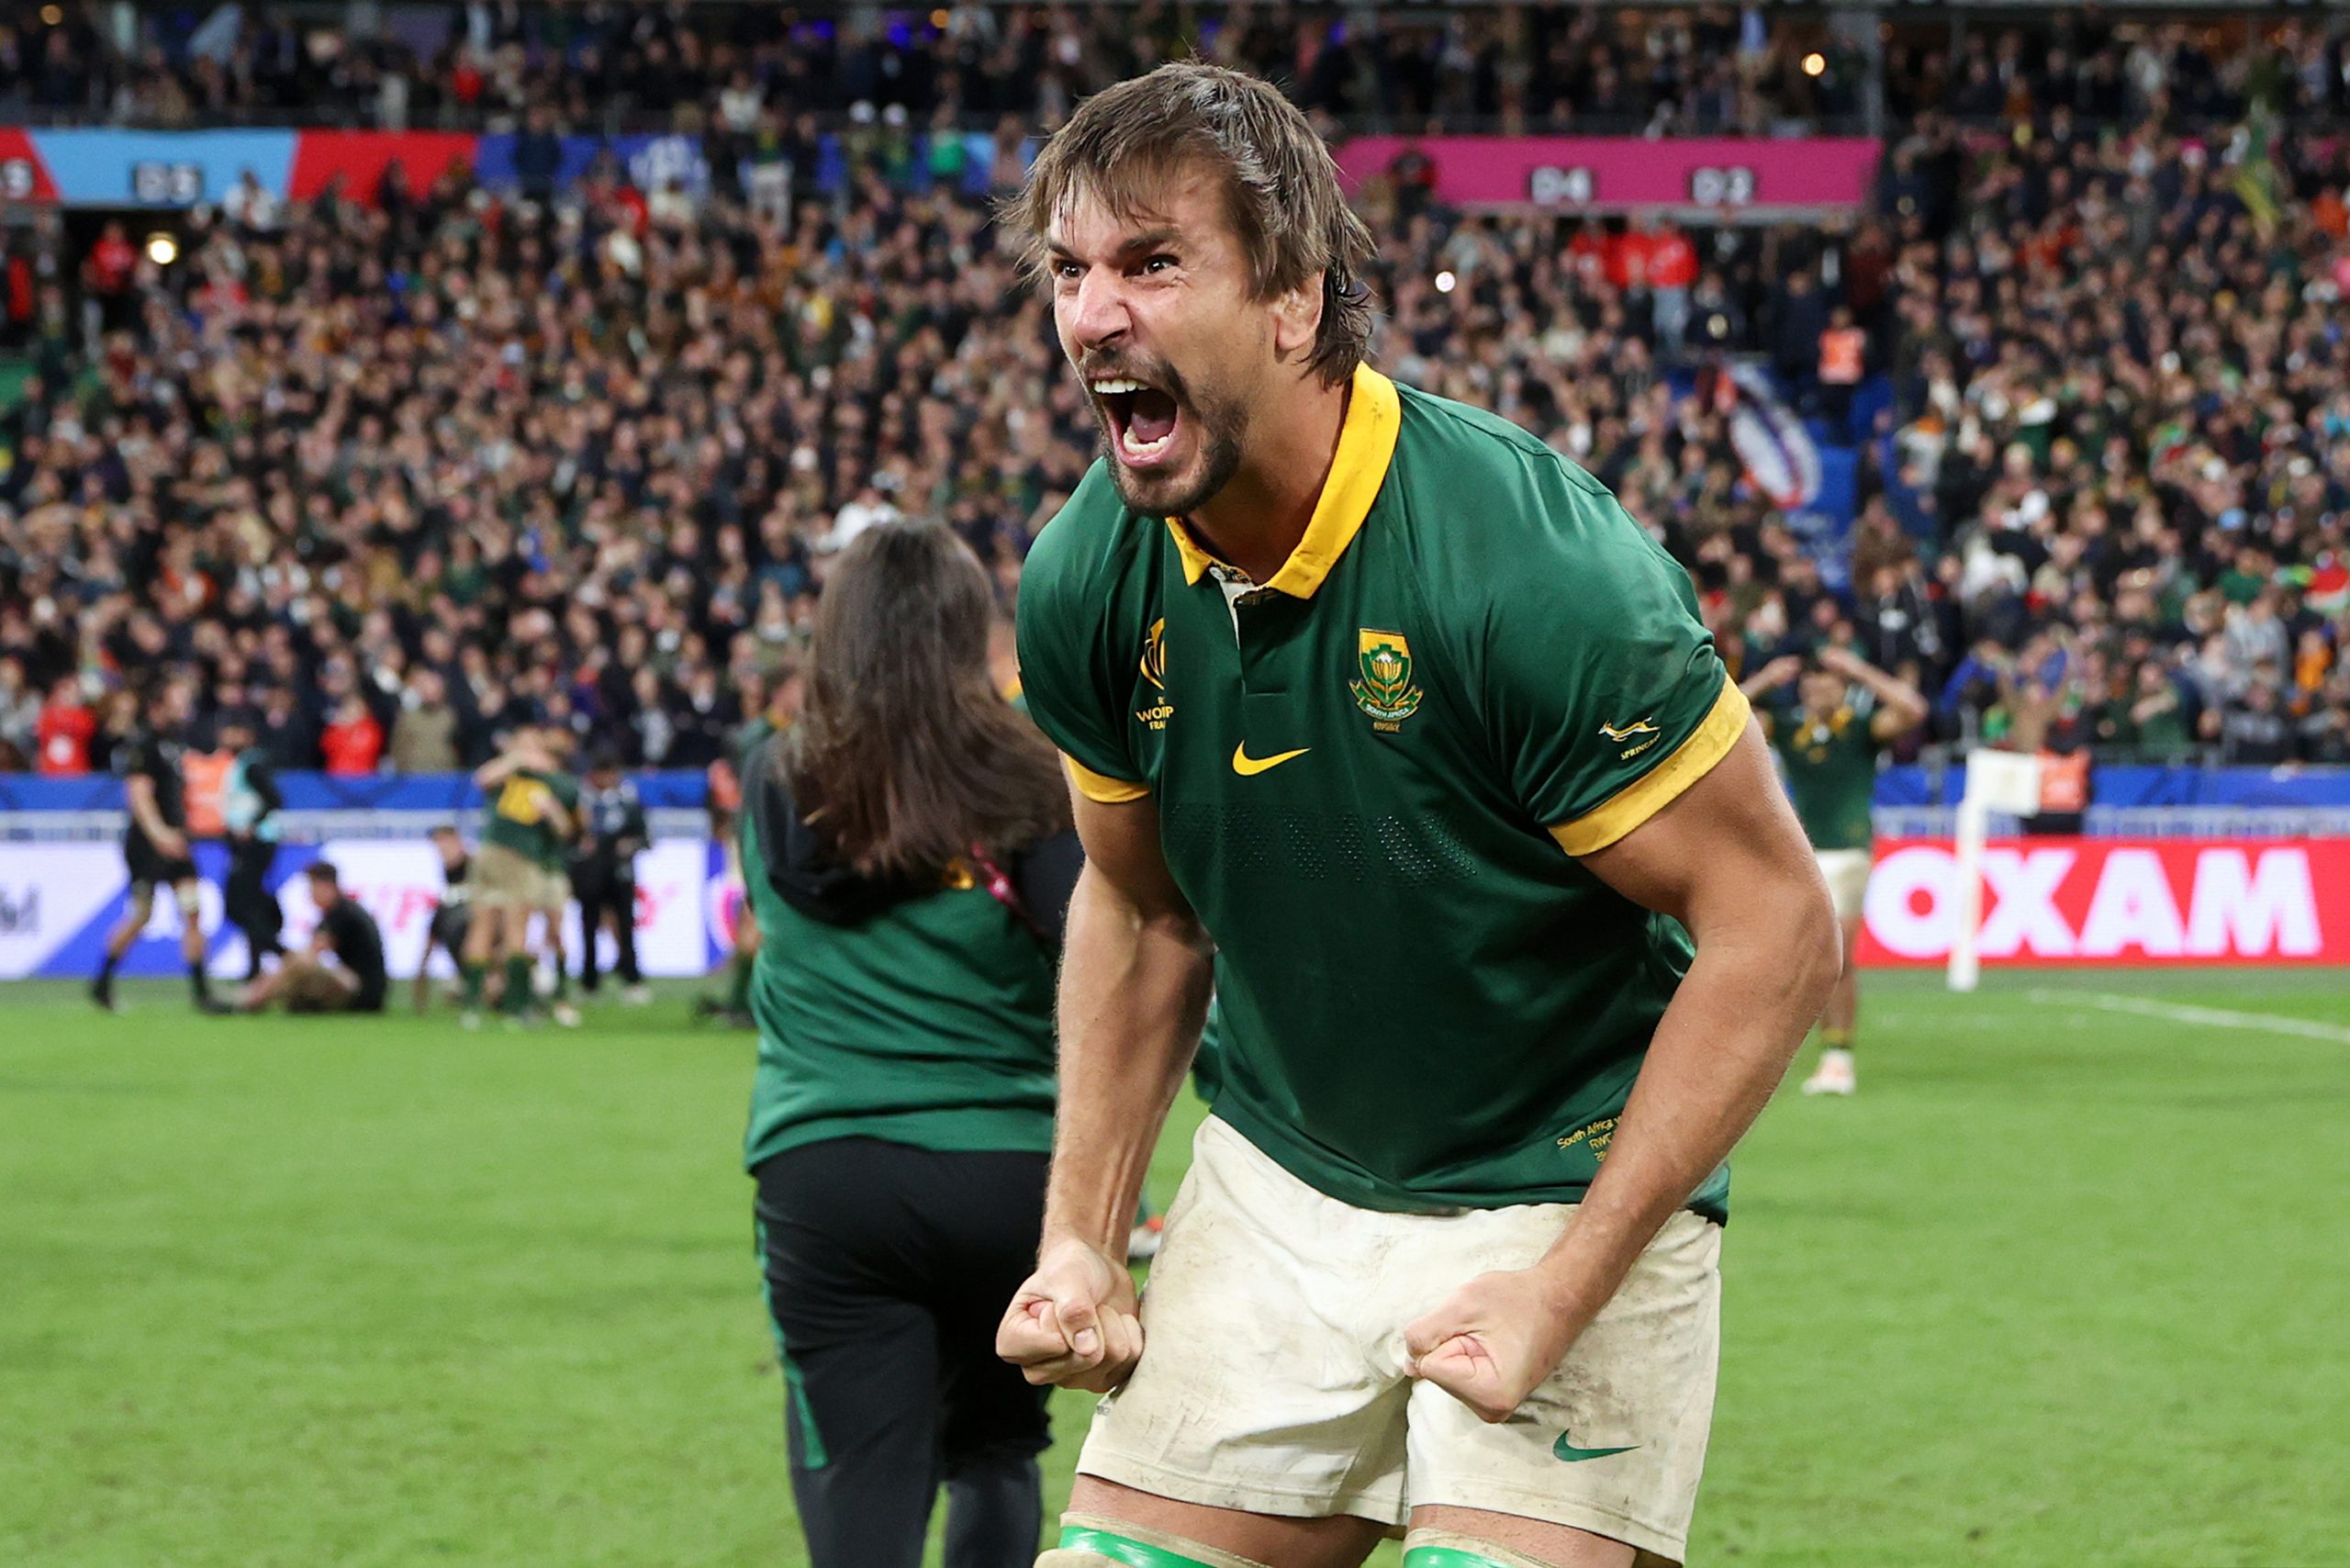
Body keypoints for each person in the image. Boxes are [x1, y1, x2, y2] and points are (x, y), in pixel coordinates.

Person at [1000, 64, 1839, 1568]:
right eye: (1071, 271)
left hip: (1554, 1174)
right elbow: (1138, 904)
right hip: (1282, 1166)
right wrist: (1082, 1230)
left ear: (1296, 302)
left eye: (1151, 262)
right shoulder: (1088, 578)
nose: (1091, 315)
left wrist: (1566, 1284)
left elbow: (1774, 922)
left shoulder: (1530, 570)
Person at [743, 520, 1081, 1568]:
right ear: (969, 633)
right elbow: (1093, 959)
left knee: (860, 1473)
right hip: (1008, 1169)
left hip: (828, 1172)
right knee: (995, 1449)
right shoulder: (1035, 777)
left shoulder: (777, 779)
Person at [1742, 646, 1929, 1096]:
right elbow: (1722, 717)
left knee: (1838, 956)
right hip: (1799, 857)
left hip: (1847, 852)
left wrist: (1862, 669)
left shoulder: (1862, 729)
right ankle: (1786, 1054)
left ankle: (1839, 1057)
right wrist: (1765, 679)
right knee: (1792, 961)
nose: (1817, 691)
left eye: (1827, 683)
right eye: (1810, 685)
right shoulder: (1790, 729)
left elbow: (1912, 709)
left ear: (1843, 690)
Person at [93, 681, 229, 1015]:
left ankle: (201, 992)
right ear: (158, 706)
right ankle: (102, 983)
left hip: (177, 843)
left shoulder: (177, 745)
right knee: (142, 915)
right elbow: (138, 794)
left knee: (192, 910)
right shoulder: (145, 744)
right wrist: (160, 834)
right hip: (148, 846)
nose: (185, 705)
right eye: (178, 698)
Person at [459, 729, 577, 1029]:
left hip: (508, 855)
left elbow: (567, 828)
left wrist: (552, 812)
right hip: (510, 856)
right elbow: (482, 778)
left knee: (499, 925)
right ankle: (508, 1006)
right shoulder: (513, 775)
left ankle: (482, 1007)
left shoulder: (550, 783)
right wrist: (518, 759)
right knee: (502, 925)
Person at [239, 861, 387, 1014]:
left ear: (326, 886)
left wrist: (270, 982)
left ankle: (252, 999)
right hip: (361, 987)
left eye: (312, 887)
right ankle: (255, 996)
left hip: (361, 990)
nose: (309, 893)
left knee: (301, 961)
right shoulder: (343, 910)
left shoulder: (341, 913)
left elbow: (310, 954)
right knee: (299, 967)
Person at [570, 748, 651, 1005]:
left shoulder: (627, 797)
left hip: (620, 870)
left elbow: (644, 835)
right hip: (590, 872)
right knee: (589, 927)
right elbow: (571, 837)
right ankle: (589, 982)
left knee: (626, 926)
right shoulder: (581, 798)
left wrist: (632, 845)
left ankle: (631, 979)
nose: (610, 780)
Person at [217, 710, 286, 981]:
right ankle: (255, 967)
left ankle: (283, 954)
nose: (226, 737)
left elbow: (274, 799)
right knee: (252, 906)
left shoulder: (251, 764)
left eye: (232, 731)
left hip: (256, 843)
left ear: (246, 736)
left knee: (237, 906)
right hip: (251, 843)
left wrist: (251, 825)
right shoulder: (242, 764)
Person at [413, 824, 474, 1014]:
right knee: (451, 990)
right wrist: (419, 993)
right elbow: (429, 945)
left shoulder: (478, 872)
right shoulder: (447, 899)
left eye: (445, 842)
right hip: (466, 968)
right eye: (437, 844)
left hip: (491, 963)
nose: (441, 849)